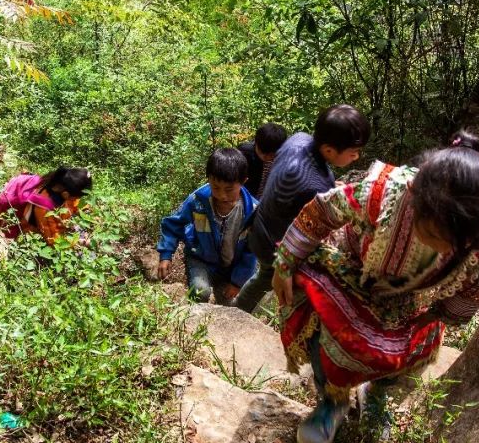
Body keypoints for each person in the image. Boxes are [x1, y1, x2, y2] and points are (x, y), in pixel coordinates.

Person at [272, 131, 479, 443]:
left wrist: (429, 319)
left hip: (417, 300)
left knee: (407, 352)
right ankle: (332, 400)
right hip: (350, 271)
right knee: (328, 336)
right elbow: (322, 212)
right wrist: (285, 263)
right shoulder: (385, 193)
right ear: (416, 201)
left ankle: (377, 393)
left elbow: (466, 299)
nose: (438, 244)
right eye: (432, 231)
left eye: (449, 240)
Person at [231, 105, 370, 313]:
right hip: (275, 242)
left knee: (264, 276)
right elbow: (312, 227)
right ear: (330, 150)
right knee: (275, 280)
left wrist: (332, 188)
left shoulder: (300, 139)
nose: (357, 157)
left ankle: (240, 307)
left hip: (261, 224)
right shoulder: (313, 185)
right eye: (354, 152)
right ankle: (241, 311)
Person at [156, 148, 259, 303]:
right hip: (201, 259)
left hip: (234, 265)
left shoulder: (252, 210)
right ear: (209, 180)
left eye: (229, 189)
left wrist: (237, 281)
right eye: (215, 187)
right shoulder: (198, 201)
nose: (222, 195)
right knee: (199, 292)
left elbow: (252, 250)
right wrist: (166, 255)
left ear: (243, 181)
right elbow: (173, 223)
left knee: (239, 303)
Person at [0, 166, 92, 245]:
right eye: (78, 196)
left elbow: (76, 203)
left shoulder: (58, 182)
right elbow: (53, 240)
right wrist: (82, 242)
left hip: (21, 191)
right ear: (66, 194)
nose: (78, 199)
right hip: (16, 218)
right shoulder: (44, 206)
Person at [237, 122, 287, 199]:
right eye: (261, 152)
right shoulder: (244, 153)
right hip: (245, 199)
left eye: (270, 154)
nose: (265, 157)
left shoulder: (283, 159)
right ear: (256, 143)